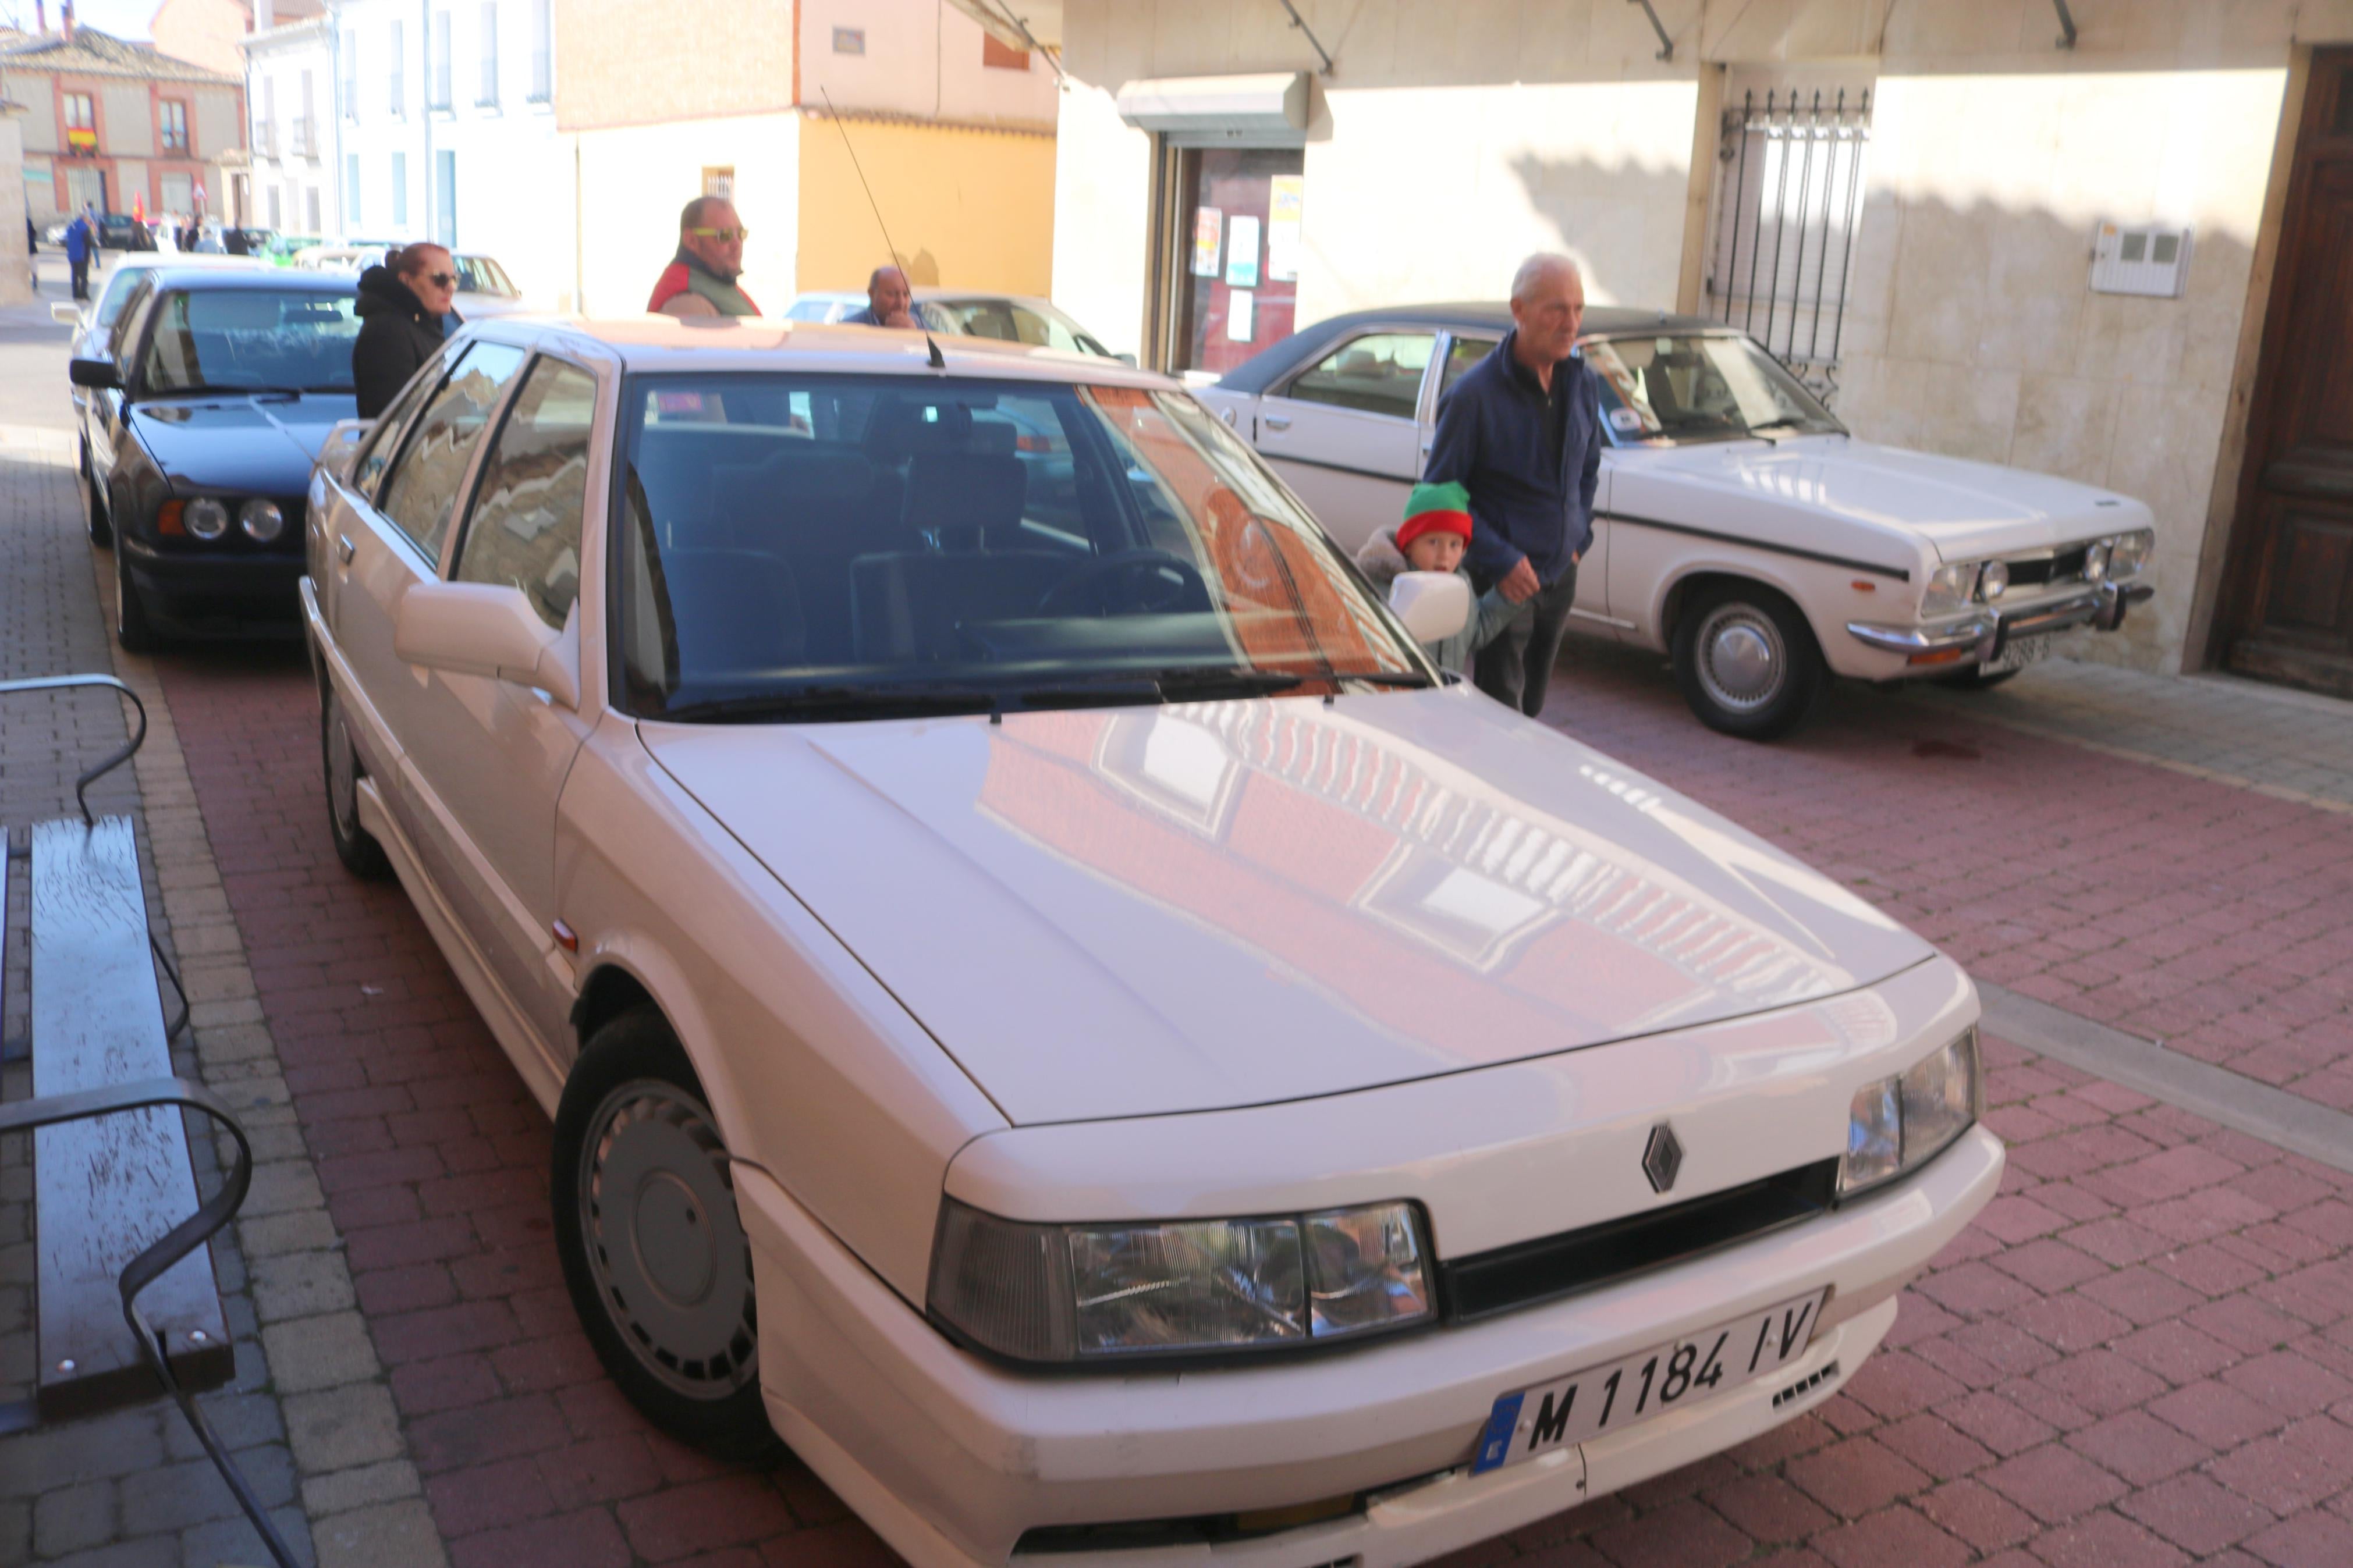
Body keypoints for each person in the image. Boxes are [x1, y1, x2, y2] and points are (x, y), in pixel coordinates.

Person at [1421, 252, 1600, 716]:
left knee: (1532, 709)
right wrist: (1503, 560)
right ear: (1518, 311)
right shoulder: (1472, 396)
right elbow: (1439, 496)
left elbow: (1588, 469)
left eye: (1578, 308)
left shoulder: (1581, 384)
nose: (1571, 322)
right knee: (1501, 715)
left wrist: (1578, 539)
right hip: (1502, 588)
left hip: (1559, 578)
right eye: (1556, 309)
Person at [1354, 481, 1528, 677]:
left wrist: (1506, 599)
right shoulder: (1387, 588)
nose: (1444, 555)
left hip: (1442, 699)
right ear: (1409, 545)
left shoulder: (1461, 584)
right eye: (1433, 542)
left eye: (1455, 544)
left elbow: (1472, 634)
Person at [353, 243, 461, 418]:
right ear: (406, 281)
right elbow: (397, 418)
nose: (450, 287)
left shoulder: (424, 323)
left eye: (454, 279)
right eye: (440, 279)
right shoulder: (387, 332)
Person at [647, 197, 760, 317]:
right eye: (725, 235)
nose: (737, 244)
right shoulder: (687, 302)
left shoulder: (714, 284)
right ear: (691, 241)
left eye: (741, 234)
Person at [843, 264, 915, 329]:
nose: (901, 303)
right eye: (892, 294)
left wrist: (913, 336)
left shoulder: (920, 327)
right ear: (872, 294)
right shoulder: (849, 329)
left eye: (906, 294)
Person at [63, 207, 95, 301]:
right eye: (89, 218)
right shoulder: (84, 228)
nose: (89, 220)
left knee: (75, 275)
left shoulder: (72, 225)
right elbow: (88, 242)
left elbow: (67, 240)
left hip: (72, 255)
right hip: (82, 255)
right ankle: (84, 294)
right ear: (85, 218)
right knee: (84, 276)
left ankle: (75, 294)